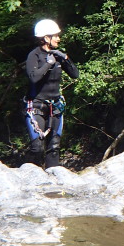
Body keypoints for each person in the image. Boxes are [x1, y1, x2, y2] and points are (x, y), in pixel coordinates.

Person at [23, 19, 79, 169]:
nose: (58, 39)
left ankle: (53, 183)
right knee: (37, 147)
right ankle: (29, 175)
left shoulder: (58, 55)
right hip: (37, 105)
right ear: (46, 38)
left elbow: (75, 74)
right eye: (55, 36)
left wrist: (65, 58)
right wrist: (48, 64)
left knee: (54, 147)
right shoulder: (34, 55)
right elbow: (33, 77)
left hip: (55, 106)